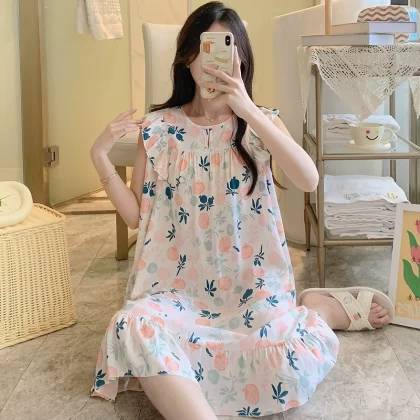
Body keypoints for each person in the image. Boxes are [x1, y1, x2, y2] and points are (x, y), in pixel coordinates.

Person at [89, 2, 392, 419]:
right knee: (134, 325)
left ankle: (318, 309)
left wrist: (247, 109)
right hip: (177, 293)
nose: (213, 60)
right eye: (204, 47)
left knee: (284, 360)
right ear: (187, 57)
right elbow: (136, 218)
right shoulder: (159, 129)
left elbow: (309, 180)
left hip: (251, 287)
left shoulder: (260, 123)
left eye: (226, 48)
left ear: (241, 59)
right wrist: (100, 157)